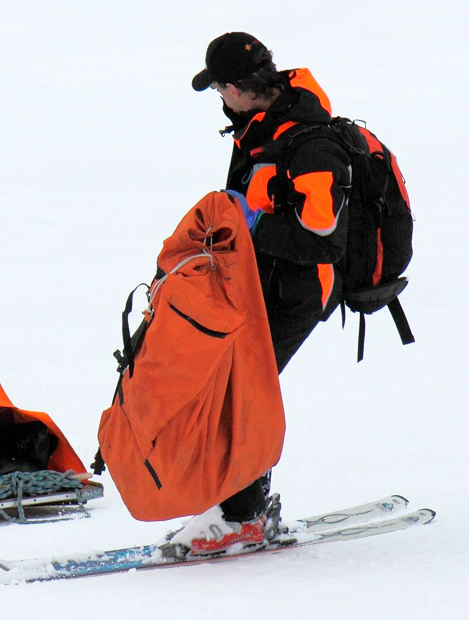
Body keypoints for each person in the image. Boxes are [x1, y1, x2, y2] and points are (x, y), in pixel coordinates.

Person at [174, 33, 351, 553]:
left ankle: (242, 520)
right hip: (259, 284)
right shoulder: (255, 128)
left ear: (235, 87)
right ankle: (241, 512)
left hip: (300, 290)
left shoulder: (310, 143)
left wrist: (249, 224)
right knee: (233, 387)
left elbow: (324, 243)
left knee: (242, 394)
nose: (220, 100)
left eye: (219, 90)